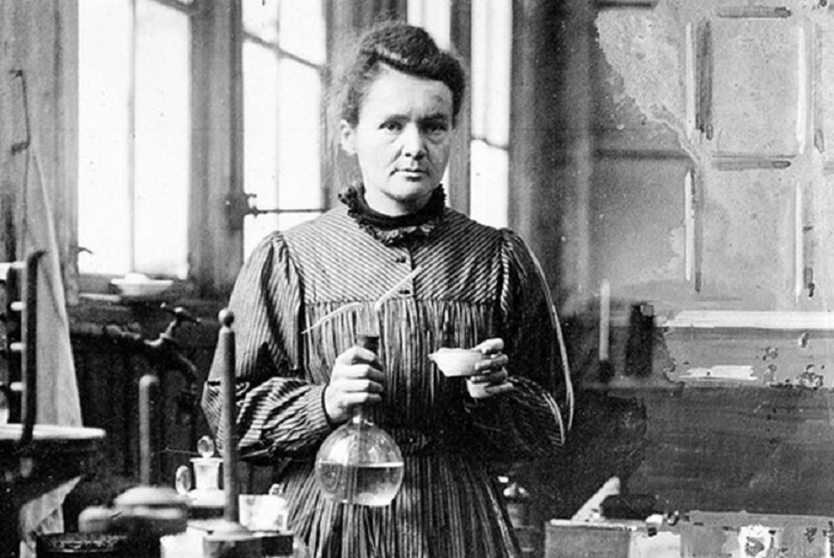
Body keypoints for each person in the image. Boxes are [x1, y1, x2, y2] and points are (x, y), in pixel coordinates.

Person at [202, 21, 573, 558]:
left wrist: (496, 397)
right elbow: (226, 412)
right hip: (331, 526)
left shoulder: (498, 259)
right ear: (348, 134)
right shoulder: (289, 260)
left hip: (460, 528)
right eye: (392, 125)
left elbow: (551, 423)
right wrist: (324, 403)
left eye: (434, 126)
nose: (414, 147)